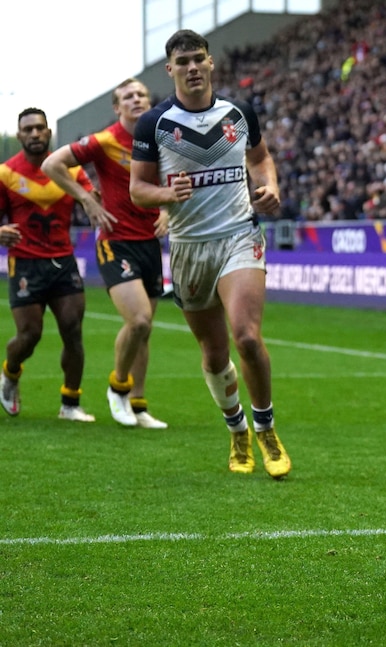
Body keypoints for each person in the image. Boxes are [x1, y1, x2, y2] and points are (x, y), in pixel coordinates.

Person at [128, 29, 291, 479]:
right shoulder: (155, 125)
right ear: (170, 70)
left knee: (248, 338)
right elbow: (137, 190)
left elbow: (261, 159)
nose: (193, 67)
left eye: (199, 59)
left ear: (211, 62)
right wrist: (165, 192)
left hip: (239, 233)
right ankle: (236, 428)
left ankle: (266, 428)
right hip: (188, 246)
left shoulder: (238, 113)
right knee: (215, 353)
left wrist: (270, 186)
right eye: (183, 62)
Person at [42, 78, 169, 429]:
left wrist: (167, 211)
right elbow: (52, 164)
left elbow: (173, 179)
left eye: (142, 93)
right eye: (128, 96)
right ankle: (118, 387)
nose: (136, 99)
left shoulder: (161, 138)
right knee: (139, 319)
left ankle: (139, 406)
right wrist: (84, 197)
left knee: (145, 330)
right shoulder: (106, 140)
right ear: (117, 107)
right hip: (116, 241)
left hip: (150, 243)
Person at [0, 108, 97, 422]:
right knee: (29, 336)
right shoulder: (6, 174)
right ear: (19, 135)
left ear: (48, 132)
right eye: (28, 129)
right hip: (25, 264)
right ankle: (10, 374)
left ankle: (70, 403)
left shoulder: (67, 169)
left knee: (73, 330)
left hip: (63, 262)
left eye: (40, 128)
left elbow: (93, 197)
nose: (35, 134)